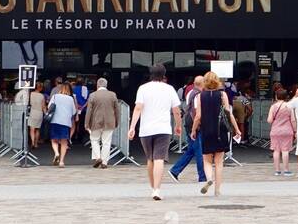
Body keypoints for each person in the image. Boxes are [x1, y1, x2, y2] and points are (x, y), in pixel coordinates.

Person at [128, 63, 182, 201]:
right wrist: (178, 125)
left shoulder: (143, 88)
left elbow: (138, 108)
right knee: (159, 158)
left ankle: (153, 188)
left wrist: (132, 127)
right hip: (163, 128)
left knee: (150, 159)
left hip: (146, 129)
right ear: (164, 75)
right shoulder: (169, 89)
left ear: (150, 74)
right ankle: (157, 189)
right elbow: (176, 110)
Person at [192, 71, 242, 198]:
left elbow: (198, 116)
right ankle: (217, 190)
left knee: (206, 159)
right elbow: (228, 113)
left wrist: (193, 130)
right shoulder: (222, 94)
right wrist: (237, 129)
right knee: (219, 162)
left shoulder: (199, 96)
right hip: (221, 130)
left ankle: (209, 178)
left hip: (206, 129)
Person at [169, 79, 208, 185]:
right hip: (193, 125)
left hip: (188, 123)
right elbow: (197, 113)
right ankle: (202, 177)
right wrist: (196, 127)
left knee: (191, 150)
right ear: (202, 84)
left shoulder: (190, 92)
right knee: (199, 151)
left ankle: (175, 170)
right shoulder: (198, 95)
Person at [84, 77, 118, 169]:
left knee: (94, 140)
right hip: (110, 122)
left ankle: (98, 157)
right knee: (106, 142)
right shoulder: (112, 95)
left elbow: (89, 111)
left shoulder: (92, 95)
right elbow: (116, 110)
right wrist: (117, 122)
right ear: (106, 85)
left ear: (97, 85)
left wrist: (86, 123)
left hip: (95, 122)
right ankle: (105, 162)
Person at [46, 82, 77, 168]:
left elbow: (49, 107)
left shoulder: (55, 96)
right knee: (64, 142)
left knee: (54, 140)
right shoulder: (70, 99)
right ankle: (62, 162)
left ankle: (56, 153)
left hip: (55, 121)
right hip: (66, 122)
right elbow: (74, 112)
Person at [267, 87, 296, 176]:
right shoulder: (289, 106)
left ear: (276, 96)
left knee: (276, 151)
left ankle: (277, 170)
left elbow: (269, 120)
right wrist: (295, 131)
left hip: (275, 131)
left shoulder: (273, 106)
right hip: (287, 131)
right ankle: (286, 170)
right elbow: (293, 120)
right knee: (285, 150)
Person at [27, 81, 46, 151]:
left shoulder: (30, 94)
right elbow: (43, 106)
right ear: (40, 88)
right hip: (39, 113)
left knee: (32, 129)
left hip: (33, 112)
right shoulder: (42, 96)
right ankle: (36, 143)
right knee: (38, 129)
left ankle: (32, 142)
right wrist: (46, 114)